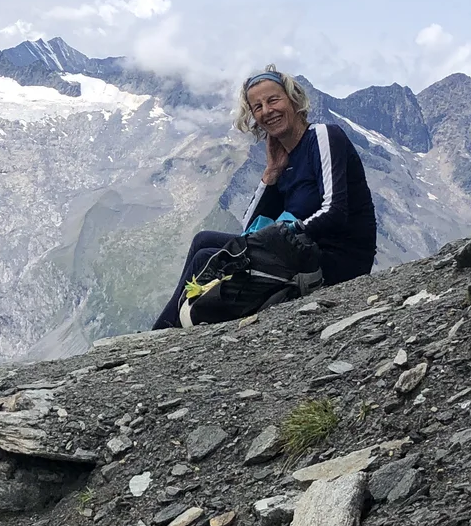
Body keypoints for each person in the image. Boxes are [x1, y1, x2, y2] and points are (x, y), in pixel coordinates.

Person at [153, 66, 377, 329]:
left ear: (293, 101)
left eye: (273, 100)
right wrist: (271, 173)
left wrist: (281, 235)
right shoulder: (285, 161)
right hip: (300, 252)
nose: (267, 111)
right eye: (257, 107)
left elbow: (335, 210)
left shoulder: (323, 136)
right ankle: (165, 329)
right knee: (203, 241)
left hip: (338, 260)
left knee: (207, 258)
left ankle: (163, 333)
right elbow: (249, 228)